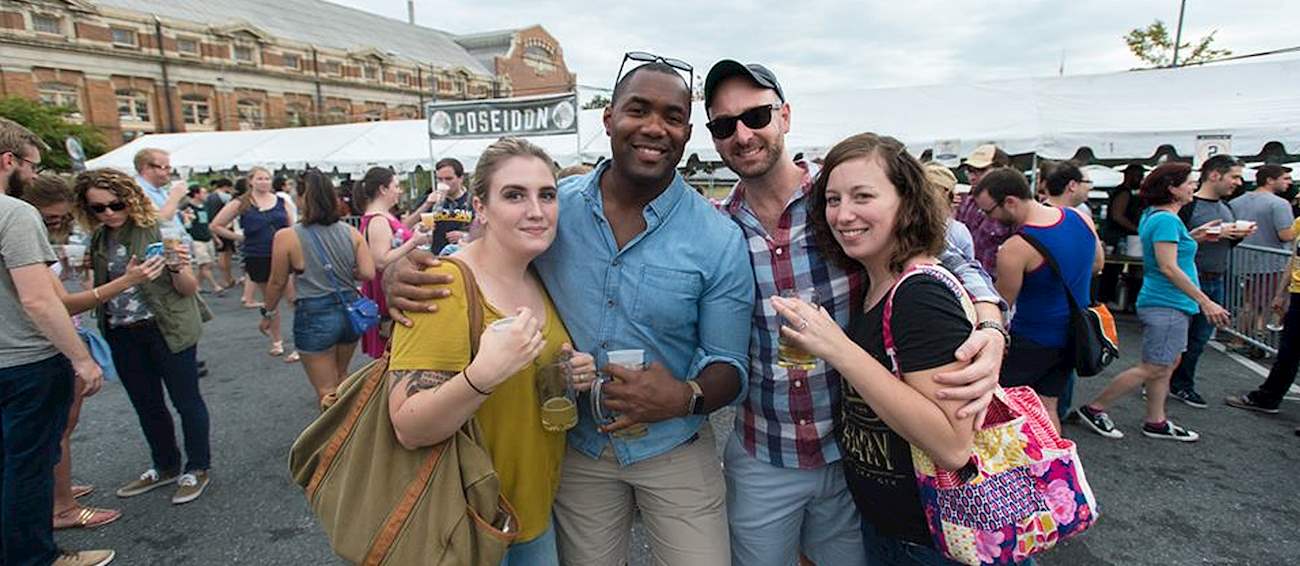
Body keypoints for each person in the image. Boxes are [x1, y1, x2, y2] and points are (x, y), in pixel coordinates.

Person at [387, 56, 756, 565]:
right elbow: (487, 253)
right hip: (573, 449)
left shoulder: (717, 238)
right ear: (608, 119)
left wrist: (683, 396)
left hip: (673, 448)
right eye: (638, 109)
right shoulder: (555, 208)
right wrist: (411, 272)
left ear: (687, 132)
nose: (654, 127)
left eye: (672, 116)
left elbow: (730, 365)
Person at [703, 61, 1004, 566]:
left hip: (855, 455)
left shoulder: (844, 195)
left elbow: (949, 252)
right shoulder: (714, 227)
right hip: (765, 450)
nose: (742, 134)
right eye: (723, 124)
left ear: (785, 116)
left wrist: (992, 325)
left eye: (756, 115)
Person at [770, 132, 984, 564]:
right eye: (832, 200)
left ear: (905, 200)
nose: (843, 214)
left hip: (934, 541)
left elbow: (953, 444)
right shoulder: (875, 282)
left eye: (862, 196)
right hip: (893, 528)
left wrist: (839, 349)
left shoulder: (919, 294)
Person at [387, 138, 598, 565]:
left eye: (547, 195)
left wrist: (577, 370)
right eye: (514, 195)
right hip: (464, 527)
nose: (536, 211)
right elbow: (409, 426)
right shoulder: (444, 285)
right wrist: (483, 374)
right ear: (480, 207)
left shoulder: (539, 275)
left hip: (532, 517)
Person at [23, 175, 168, 532]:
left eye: (62, 218)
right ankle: (62, 507)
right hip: (45, 343)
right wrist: (124, 283)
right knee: (56, 429)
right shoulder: (20, 229)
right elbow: (55, 302)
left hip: (50, 341)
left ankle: (58, 492)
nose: (106, 213)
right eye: (97, 208)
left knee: (57, 429)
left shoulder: (35, 234)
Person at [1, 118, 114, 566]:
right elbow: (40, 300)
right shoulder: (14, 214)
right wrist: (82, 359)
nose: (34, 176)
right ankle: (36, 557)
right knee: (27, 467)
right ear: (8, 161)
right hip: (24, 360)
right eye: (31, 165)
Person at [74, 169, 213, 506]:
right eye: (98, 208)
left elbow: (189, 289)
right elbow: (97, 288)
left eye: (115, 204)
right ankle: (165, 465)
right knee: (146, 403)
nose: (108, 213)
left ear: (130, 198)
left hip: (167, 328)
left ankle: (197, 467)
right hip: (121, 332)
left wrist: (178, 267)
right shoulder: (97, 238)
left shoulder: (157, 229)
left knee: (186, 400)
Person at [1075, 163, 1230, 442]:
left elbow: (1166, 251)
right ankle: (1094, 407)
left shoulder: (1157, 216)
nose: (1193, 186)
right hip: (1167, 303)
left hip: (1168, 303)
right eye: (1189, 182)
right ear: (1172, 188)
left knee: (1165, 364)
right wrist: (1206, 301)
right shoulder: (1166, 219)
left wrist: (1194, 237)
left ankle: (1156, 421)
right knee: (1155, 366)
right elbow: (1168, 267)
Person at [978, 167, 1100, 432]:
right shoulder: (1080, 219)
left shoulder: (1016, 247)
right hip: (1071, 335)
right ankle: (1055, 467)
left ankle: (1012, 469)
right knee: (1047, 406)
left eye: (989, 211)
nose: (989, 220)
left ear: (1010, 201)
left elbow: (1002, 305)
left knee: (1004, 406)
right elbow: (1097, 265)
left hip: (1031, 338)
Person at [260, 171, 375, 405]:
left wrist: (268, 313)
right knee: (343, 378)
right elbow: (367, 272)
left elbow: (277, 281)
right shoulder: (351, 232)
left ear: (302, 198)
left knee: (326, 391)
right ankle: (351, 434)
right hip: (350, 311)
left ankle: (333, 438)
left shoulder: (287, 236)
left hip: (314, 313)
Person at [1168, 156, 1250, 407]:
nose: (1238, 182)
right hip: (1190, 280)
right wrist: (1209, 235)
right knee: (1175, 339)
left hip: (1217, 279)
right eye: (1234, 176)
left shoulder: (1227, 207)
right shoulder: (1188, 207)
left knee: (1198, 340)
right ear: (1215, 175)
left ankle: (1181, 384)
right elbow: (1174, 243)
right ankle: (1157, 380)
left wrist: (1237, 235)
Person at [1037, 161, 1106, 420]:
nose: (1088, 190)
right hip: (1071, 316)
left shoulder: (1031, 216)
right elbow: (1098, 264)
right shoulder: (1081, 218)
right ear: (1072, 185)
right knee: (1053, 394)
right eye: (1087, 183)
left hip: (1033, 318)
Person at [211, 167, 299, 362]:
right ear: (250, 181)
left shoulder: (281, 201)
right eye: (260, 179)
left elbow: (292, 226)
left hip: (282, 255)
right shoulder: (241, 203)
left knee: (293, 298)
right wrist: (239, 238)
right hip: (257, 255)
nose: (264, 182)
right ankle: (277, 341)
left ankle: (300, 343)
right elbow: (215, 225)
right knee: (270, 300)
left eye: (267, 178)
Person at [1226, 212, 1300, 415]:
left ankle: (1268, 397)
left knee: (1289, 352)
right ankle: (1268, 397)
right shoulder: (1299, 223)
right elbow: (1294, 259)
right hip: (1297, 293)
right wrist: (1280, 293)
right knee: (1288, 352)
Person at [353, 167, 431, 359]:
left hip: (390, 285)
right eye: (395, 186)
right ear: (383, 189)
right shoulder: (378, 219)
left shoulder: (381, 215)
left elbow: (397, 236)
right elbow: (380, 261)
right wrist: (414, 242)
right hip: (386, 290)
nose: (399, 190)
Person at [1229, 164, 1295, 349]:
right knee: (1264, 303)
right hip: (1271, 262)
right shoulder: (1279, 204)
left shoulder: (1236, 202)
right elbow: (1285, 235)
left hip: (1242, 259)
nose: (1288, 183)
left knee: (1250, 301)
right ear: (1270, 180)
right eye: (1285, 178)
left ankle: (1246, 338)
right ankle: (1247, 339)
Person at [953, 144, 1014, 275]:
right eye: (970, 170)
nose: (973, 176)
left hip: (998, 286)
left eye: (981, 170)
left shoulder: (1013, 206)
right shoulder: (965, 203)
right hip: (966, 281)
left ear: (1002, 170)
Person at [182, 185, 224, 295]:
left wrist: (215, 237)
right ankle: (216, 286)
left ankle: (197, 286)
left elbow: (208, 224)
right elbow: (187, 225)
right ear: (196, 194)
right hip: (196, 240)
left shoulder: (204, 207)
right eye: (203, 193)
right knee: (205, 264)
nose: (206, 195)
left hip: (207, 238)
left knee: (207, 265)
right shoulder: (188, 208)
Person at [206, 178, 239, 290]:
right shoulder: (223, 198)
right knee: (225, 254)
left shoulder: (210, 197)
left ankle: (227, 278)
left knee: (224, 254)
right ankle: (226, 279)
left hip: (218, 228)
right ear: (226, 187)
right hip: (224, 228)